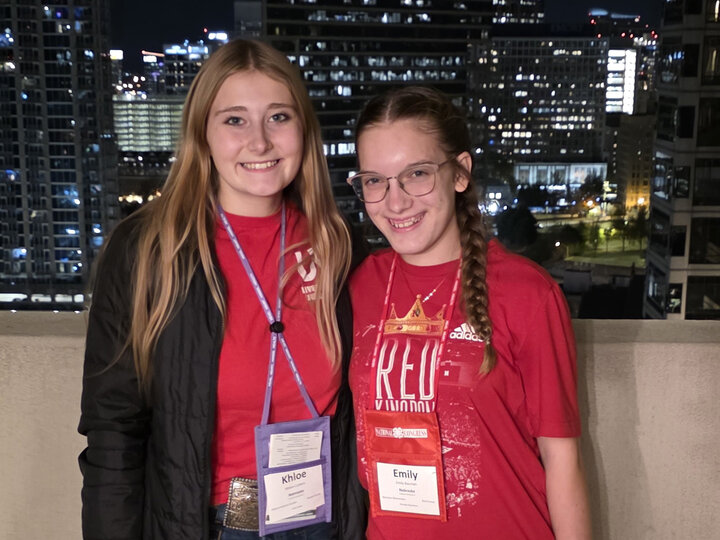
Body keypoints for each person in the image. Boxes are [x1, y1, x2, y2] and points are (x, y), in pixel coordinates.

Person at [78, 39, 365, 539]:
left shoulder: (339, 244)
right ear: (202, 133)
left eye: (279, 117)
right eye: (235, 120)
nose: (259, 142)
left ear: (304, 130)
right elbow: (113, 427)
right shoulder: (148, 247)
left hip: (324, 520)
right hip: (205, 524)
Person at [346, 86, 591, 539]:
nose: (395, 201)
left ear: (460, 173)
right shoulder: (360, 285)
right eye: (374, 180)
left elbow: (563, 462)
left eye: (416, 173)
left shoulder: (526, 292)